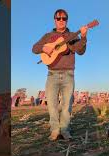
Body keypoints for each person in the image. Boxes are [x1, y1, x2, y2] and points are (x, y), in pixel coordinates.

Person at [32, 9, 88, 141]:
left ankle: (65, 130)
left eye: (64, 18)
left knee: (66, 105)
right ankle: (55, 131)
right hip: (52, 75)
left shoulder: (72, 36)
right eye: (59, 18)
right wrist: (43, 48)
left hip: (69, 74)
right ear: (54, 20)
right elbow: (34, 48)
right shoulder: (48, 36)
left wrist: (84, 37)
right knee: (51, 105)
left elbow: (80, 51)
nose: (61, 20)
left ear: (67, 20)